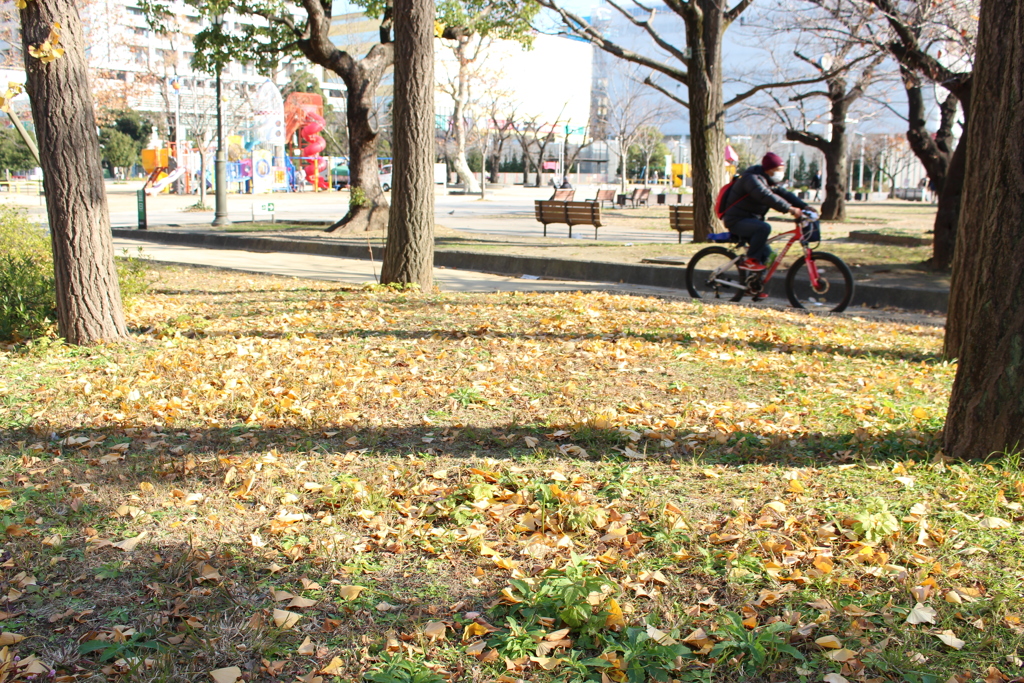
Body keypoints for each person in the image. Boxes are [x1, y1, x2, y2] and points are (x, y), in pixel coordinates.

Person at [722, 152, 810, 272]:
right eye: (778, 169)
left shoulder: (768, 181)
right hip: (736, 220)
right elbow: (765, 196)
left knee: (769, 259)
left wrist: (805, 206)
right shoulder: (751, 179)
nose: (781, 173)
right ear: (769, 169)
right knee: (763, 228)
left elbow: (785, 194)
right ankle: (750, 260)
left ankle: (753, 288)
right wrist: (790, 209)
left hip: (751, 220)